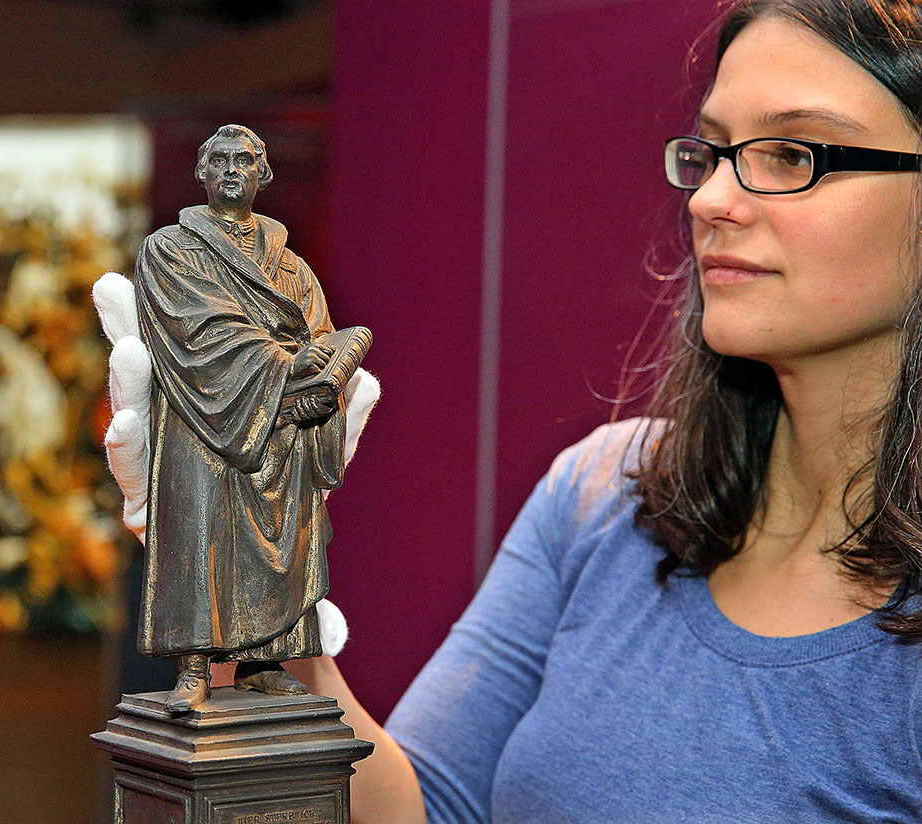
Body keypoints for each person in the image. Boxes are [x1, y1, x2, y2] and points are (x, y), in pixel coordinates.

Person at [271, 1, 922, 821]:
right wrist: (253, 576)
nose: (711, 199)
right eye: (714, 151)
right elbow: (425, 807)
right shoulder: (605, 494)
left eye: (793, 154)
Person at [124, 124, 364, 713]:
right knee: (199, 531)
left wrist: (326, 373)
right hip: (203, 417)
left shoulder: (293, 268)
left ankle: (265, 661)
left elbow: (320, 332)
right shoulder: (170, 250)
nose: (232, 169)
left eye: (245, 160)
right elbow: (200, 330)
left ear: (264, 174)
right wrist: (289, 366)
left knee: (282, 539)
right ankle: (194, 665)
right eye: (221, 159)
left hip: (283, 429)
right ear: (202, 173)